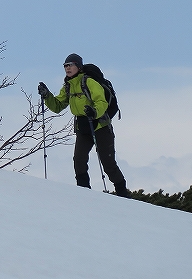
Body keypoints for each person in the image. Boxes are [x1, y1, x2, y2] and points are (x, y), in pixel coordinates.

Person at [39, 54, 130, 197]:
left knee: (108, 164)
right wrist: (47, 96)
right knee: (79, 160)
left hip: (100, 126)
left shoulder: (89, 82)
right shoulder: (68, 85)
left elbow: (101, 102)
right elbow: (57, 106)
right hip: (83, 127)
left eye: (70, 65)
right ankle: (84, 194)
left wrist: (94, 112)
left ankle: (123, 195)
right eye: (65, 65)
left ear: (79, 67)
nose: (67, 68)